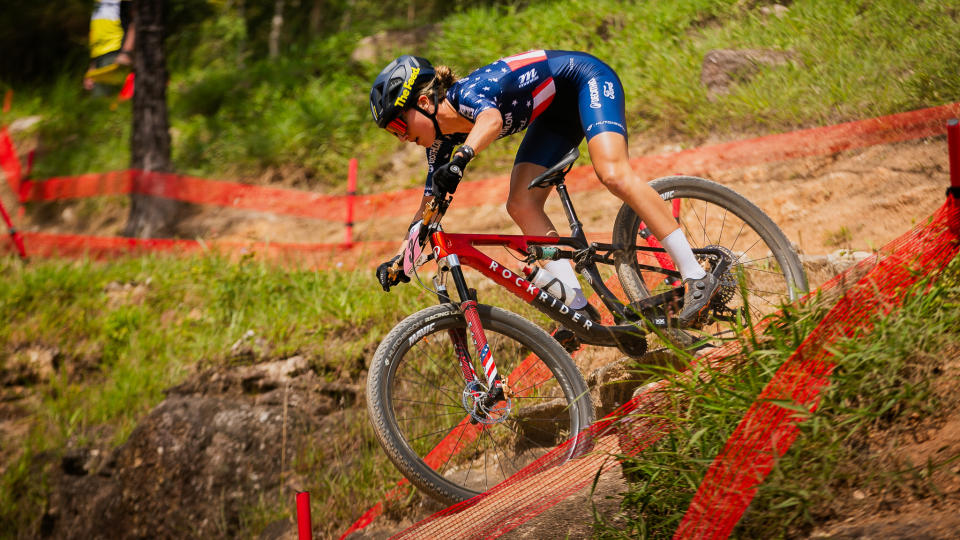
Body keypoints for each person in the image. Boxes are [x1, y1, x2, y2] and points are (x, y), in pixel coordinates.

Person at [370, 50, 718, 326]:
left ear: (426, 102)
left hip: (586, 80)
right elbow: (428, 207)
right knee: (520, 204)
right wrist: (402, 259)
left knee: (611, 173)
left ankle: (696, 274)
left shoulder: (466, 94)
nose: (401, 136)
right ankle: (576, 304)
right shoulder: (439, 144)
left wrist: (463, 156)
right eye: (392, 132)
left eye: (400, 123)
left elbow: (489, 119)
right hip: (553, 112)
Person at [84, 0, 136, 90]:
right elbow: (97, 32)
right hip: (99, 57)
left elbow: (136, 21)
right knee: (100, 101)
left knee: (111, 99)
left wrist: (126, 52)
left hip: (116, 53)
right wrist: (93, 66)